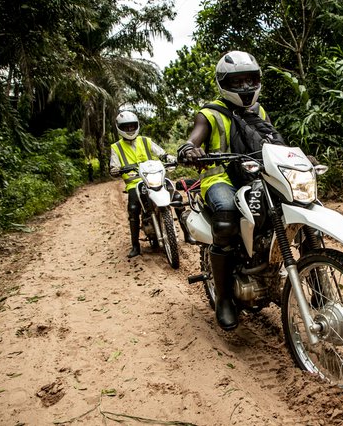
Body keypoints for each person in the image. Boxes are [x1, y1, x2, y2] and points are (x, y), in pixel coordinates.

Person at [176, 51, 273, 331]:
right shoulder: (209, 113)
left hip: (256, 176)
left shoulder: (259, 111)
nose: (245, 88)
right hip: (220, 178)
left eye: (249, 80)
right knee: (226, 216)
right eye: (237, 82)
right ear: (223, 83)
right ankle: (224, 298)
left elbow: (275, 142)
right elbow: (194, 138)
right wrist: (189, 149)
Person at [109, 111, 192, 258]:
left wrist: (169, 158)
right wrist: (116, 169)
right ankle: (135, 246)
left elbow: (161, 153)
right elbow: (113, 166)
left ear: (137, 126)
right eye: (126, 127)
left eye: (132, 126)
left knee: (177, 198)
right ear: (120, 128)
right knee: (133, 208)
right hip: (135, 183)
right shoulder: (116, 147)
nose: (129, 130)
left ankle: (187, 234)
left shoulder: (146, 141)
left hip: (155, 177)